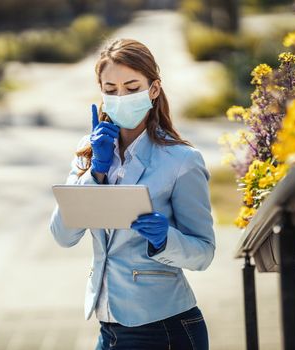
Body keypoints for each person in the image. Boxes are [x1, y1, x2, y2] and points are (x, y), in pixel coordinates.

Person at [49, 38, 216, 349]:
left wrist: (165, 239)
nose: (121, 97)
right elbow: (63, 235)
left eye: (131, 87)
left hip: (165, 328)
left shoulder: (182, 160)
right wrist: (95, 174)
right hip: (109, 328)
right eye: (110, 90)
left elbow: (203, 253)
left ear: (153, 89)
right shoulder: (88, 151)